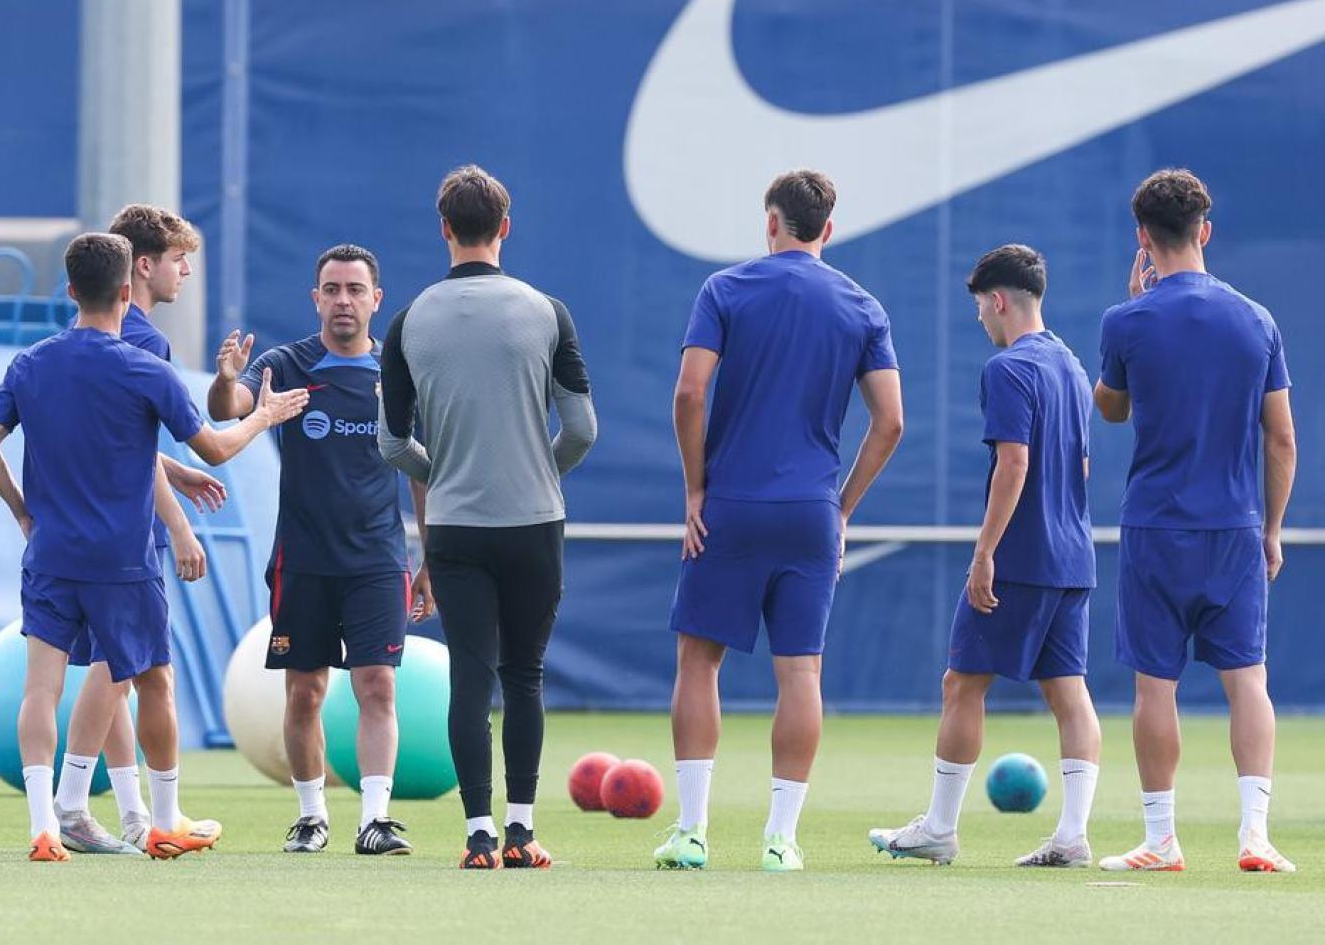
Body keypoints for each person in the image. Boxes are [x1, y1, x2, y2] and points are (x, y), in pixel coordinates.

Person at [0, 232, 307, 862]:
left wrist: (23, 511)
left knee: (39, 691)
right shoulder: (146, 367)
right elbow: (214, 448)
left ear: (70, 290)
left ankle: (44, 827)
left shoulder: (30, 364)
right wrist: (263, 417)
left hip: (49, 555)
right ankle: (164, 817)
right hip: (122, 561)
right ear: (128, 291)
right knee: (155, 680)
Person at [655, 169, 903, 872]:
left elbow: (688, 393)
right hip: (810, 514)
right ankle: (780, 839)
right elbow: (891, 422)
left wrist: (695, 490)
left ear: (771, 223)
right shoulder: (862, 306)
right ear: (828, 229)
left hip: (729, 507)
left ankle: (694, 833)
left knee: (699, 661)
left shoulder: (725, 290)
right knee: (802, 674)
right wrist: (842, 506)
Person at [378, 165, 597, 869]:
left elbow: (389, 443)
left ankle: (477, 835)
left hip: (455, 525)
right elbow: (583, 429)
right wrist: (536, 468)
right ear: (506, 227)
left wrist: (443, 475)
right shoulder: (547, 311)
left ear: (444, 229)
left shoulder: (409, 320)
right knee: (524, 674)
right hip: (534, 520)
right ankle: (522, 831)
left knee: (471, 677)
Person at [869, 245, 1101, 867]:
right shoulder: (1073, 367)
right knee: (1069, 692)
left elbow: (1014, 462)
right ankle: (1073, 836)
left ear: (998, 300)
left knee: (963, 683)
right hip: (1074, 557)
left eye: (979, 307)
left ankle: (940, 829)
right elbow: (1080, 466)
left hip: (1021, 557)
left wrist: (985, 551)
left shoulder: (1008, 369)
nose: (980, 319)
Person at [1093, 170, 1297, 873]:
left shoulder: (1127, 320)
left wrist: (1129, 314)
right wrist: (1270, 530)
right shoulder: (1256, 319)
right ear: (1205, 231)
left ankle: (1161, 840)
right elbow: (1281, 440)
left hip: (1155, 525)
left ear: (1143, 238)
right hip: (1234, 529)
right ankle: (1255, 836)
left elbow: (1112, 409)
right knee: (1248, 680)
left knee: (1156, 685)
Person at [207, 243, 434, 856]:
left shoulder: (397, 373)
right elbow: (231, 408)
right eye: (331, 289)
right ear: (316, 298)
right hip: (302, 561)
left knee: (377, 686)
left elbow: (421, 469)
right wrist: (227, 380)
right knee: (303, 693)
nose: (343, 300)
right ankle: (311, 817)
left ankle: (375, 820)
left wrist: (428, 556)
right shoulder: (288, 363)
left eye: (355, 290)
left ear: (375, 299)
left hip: (378, 561)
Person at [47, 204, 230, 855]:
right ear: (142, 267)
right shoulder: (144, 337)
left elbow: (126, 436)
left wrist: (172, 473)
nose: (185, 270)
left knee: (131, 670)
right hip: (127, 530)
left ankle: (136, 816)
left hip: (81, 525)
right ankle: (76, 801)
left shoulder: (93, 336)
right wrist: (179, 525)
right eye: (179, 258)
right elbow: (204, 443)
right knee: (127, 668)